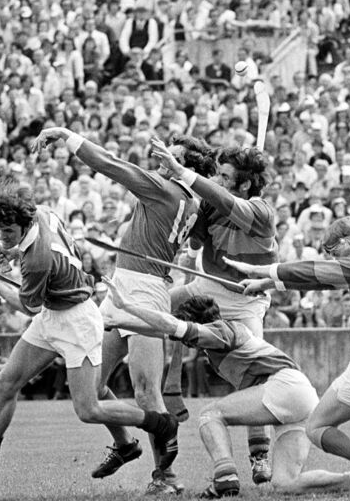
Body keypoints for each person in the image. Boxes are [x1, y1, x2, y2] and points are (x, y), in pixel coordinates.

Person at [0, 175, 178, 479]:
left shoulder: (37, 261)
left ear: (23, 224)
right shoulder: (43, 214)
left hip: (76, 322)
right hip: (54, 313)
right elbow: (48, 258)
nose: (2, 236)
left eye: (9, 231)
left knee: (88, 409)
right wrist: (13, 251)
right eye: (0, 229)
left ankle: (161, 423)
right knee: (6, 382)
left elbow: (27, 305)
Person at [31, 126, 215, 492]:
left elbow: (111, 165)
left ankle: (166, 478)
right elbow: (195, 238)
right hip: (123, 288)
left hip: (143, 292)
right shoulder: (193, 201)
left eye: (172, 158)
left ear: (185, 169)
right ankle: (125, 444)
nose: (162, 162)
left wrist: (66, 134)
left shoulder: (165, 189)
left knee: (147, 391)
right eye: (164, 156)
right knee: (93, 385)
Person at [103, 278, 350, 498]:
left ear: (197, 323)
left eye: (190, 334)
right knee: (285, 483)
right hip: (301, 397)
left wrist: (126, 306)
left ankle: (225, 476)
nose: (189, 345)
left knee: (210, 415)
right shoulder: (219, 332)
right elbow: (162, 330)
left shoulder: (221, 331)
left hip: (285, 386)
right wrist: (120, 322)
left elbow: (171, 326)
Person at [224, 216, 350, 494]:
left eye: (333, 251)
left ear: (348, 241)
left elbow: (314, 271)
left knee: (316, 427)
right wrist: (266, 284)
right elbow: (325, 281)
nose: (332, 258)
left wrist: (262, 270)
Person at [151, 138, 278, 484]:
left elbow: (224, 199)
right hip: (206, 286)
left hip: (246, 300)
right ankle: (172, 389)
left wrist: (187, 175)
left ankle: (259, 453)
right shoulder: (211, 206)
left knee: (254, 377)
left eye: (225, 176)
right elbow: (192, 239)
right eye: (218, 175)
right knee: (157, 306)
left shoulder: (261, 213)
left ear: (246, 183)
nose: (218, 181)